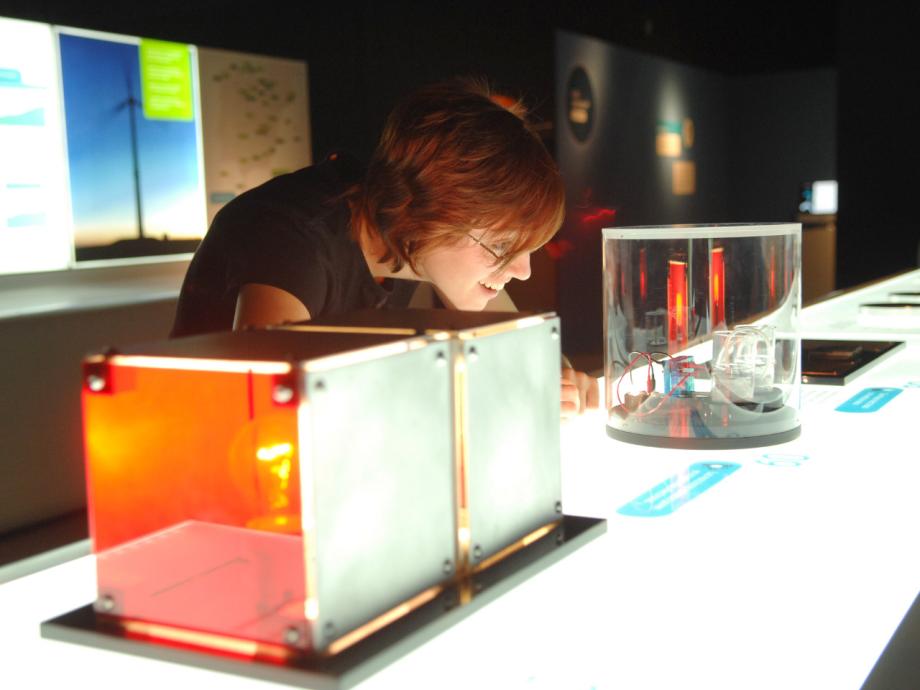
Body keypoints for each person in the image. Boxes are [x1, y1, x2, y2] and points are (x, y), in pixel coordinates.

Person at [171, 77, 598, 416]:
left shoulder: (406, 236)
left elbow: (517, 355)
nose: (522, 270)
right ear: (428, 208)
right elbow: (272, 409)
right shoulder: (294, 237)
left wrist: (551, 382)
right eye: (503, 245)